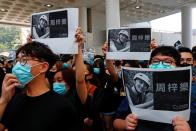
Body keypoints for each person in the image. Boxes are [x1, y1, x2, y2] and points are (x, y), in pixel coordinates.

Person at [0, 41, 80, 131]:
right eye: (17, 61)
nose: (17, 66)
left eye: (24, 60)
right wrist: (3, 100)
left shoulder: (62, 106)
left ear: (43, 67)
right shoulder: (16, 99)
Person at [113, 46, 191, 131]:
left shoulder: (188, 93)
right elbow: (116, 121)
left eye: (168, 62)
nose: (160, 65)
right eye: (156, 61)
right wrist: (125, 124)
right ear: (149, 64)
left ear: (178, 66)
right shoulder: (140, 94)